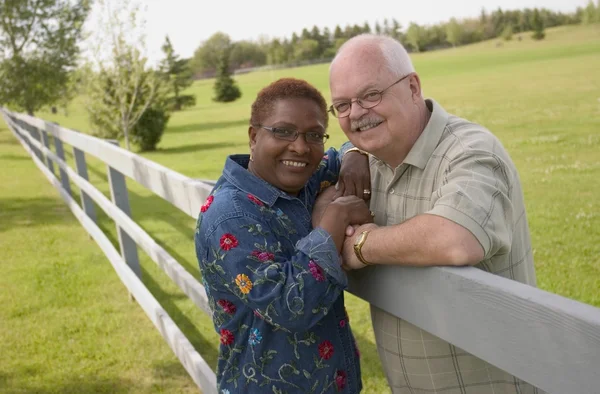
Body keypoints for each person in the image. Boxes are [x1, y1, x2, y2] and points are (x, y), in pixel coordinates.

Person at [327, 34, 544, 394]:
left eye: (370, 95)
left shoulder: (472, 151)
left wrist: (361, 244)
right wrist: (352, 151)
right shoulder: (368, 161)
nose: (357, 113)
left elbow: (457, 240)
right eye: (342, 105)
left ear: (412, 87)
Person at [194, 77, 373, 393]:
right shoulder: (231, 214)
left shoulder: (303, 179)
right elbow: (290, 306)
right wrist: (335, 219)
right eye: (283, 131)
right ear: (253, 136)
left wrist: (356, 151)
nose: (301, 146)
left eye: (313, 135)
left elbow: (339, 153)